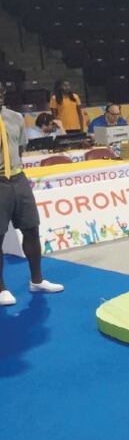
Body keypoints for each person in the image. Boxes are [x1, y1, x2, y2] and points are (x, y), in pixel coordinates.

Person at [0, 84, 63, 307]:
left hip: (18, 178)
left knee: (31, 228)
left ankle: (37, 280)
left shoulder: (15, 117)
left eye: (0, 93)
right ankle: (1, 288)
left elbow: (19, 149)